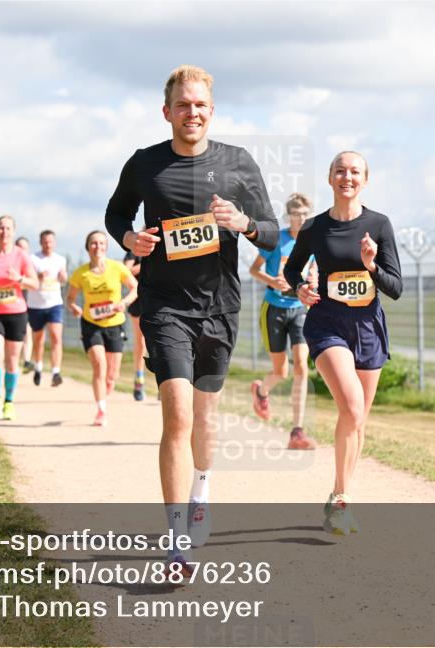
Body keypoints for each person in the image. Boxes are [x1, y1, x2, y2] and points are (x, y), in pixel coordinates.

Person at [105, 65, 279, 572]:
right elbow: (116, 214)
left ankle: (202, 488)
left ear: (211, 110)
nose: (192, 112)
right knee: (177, 414)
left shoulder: (238, 163)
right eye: (183, 105)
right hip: (164, 306)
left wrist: (241, 222)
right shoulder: (144, 164)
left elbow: (269, 231)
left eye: (200, 104)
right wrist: (128, 239)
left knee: (205, 418)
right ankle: (176, 539)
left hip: (220, 307)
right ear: (167, 112)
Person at [284, 152, 402, 535]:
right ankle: (340, 501)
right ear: (330, 178)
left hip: (368, 327)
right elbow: (290, 268)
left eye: (354, 171)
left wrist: (371, 265)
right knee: (350, 407)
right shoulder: (315, 227)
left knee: (357, 418)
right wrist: (300, 287)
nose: (346, 176)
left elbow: (395, 287)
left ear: (365, 180)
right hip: (327, 325)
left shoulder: (379, 225)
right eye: (340, 170)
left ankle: (340, 495)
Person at [250, 192, 320, 450]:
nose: (301, 218)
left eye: (305, 213)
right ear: (288, 215)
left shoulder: (312, 242)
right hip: (274, 308)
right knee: (282, 371)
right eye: (296, 213)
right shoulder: (276, 240)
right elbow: (254, 269)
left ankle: (297, 432)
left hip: (299, 308)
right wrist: (273, 281)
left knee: (302, 366)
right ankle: (261, 392)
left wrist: (313, 280)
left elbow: (313, 270)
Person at [67, 230, 138, 425]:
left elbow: (135, 288)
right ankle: (101, 410)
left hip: (115, 324)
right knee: (99, 364)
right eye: (93, 243)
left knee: (112, 375)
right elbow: (70, 298)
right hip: (91, 323)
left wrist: (124, 303)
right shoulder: (80, 273)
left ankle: (104, 395)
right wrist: (73, 307)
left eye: (101, 243)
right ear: (88, 247)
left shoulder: (117, 268)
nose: (97, 247)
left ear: (106, 247)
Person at [0, 215, 39, 420]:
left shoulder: (21, 255)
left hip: (16, 313)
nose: (4, 232)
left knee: (12, 361)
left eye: (8, 228)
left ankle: (9, 401)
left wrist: (19, 279)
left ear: (13, 231)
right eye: (1, 228)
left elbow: (34, 284)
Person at [26, 229, 68, 387]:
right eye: (45, 241)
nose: (48, 244)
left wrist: (63, 277)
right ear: (40, 242)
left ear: (54, 243)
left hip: (54, 303)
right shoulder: (33, 259)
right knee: (38, 340)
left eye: (50, 241)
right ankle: (38, 367)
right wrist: (38, 277)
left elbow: (63, 278)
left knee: (56, 337)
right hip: (36, 305)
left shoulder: (60, 260)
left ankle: (56, 372)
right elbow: (28, 279)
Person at [122, 249, 147, 400]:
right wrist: (148, 265)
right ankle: (139, 380)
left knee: (161, 343)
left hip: (160, 299)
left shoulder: (165, 246)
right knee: (141, 341)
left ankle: (165, 380)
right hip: (138, 300)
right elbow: (126, 272)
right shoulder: (135, 250)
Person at [15, 236, 35, 373]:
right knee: (14, 337)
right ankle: (11, 363)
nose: (22, 250)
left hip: (29, 304)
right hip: (11, 305)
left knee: (27, 332)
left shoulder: (32, 264)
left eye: (25, 247)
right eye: (19, 247)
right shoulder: (10, 263)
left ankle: (27, 360)